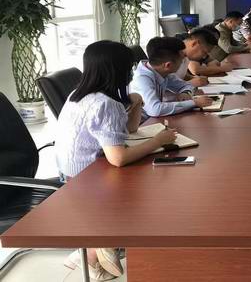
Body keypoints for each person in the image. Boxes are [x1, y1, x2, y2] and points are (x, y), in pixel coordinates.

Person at [55, 41, 179, 280]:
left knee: (145, 176)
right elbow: (118, 158)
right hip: (87, 178)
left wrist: (137, 102)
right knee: (151, 186)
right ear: (119, 70)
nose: (131, 72)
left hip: (73, 171)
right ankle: (93, 252)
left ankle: (97, 243)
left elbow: (129, 130)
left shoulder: (80, 94)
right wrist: (158, 141)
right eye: (129, 67)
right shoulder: (106, 104)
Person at [130, 37, 213, 119]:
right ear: (168, 65)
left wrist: (185, 93)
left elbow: (186, 85)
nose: (182, 62)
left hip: (155, 119)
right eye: (181, 60)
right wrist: (194, 103)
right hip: (142, 123)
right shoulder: (142, 79)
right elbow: (155, 110)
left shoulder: (163, 71)